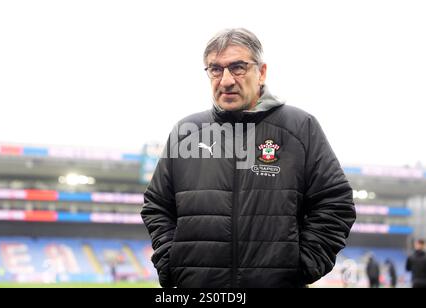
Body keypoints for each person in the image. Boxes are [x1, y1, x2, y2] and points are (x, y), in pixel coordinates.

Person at [141, 28, 356, 288]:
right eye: (215, 69)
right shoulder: (185, 133)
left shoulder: (300, 128)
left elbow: (335, 203)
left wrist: (299, 268)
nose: (226, 80)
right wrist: (171, 262)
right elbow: (156, 206)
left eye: (238, 67)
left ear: (262, 72)